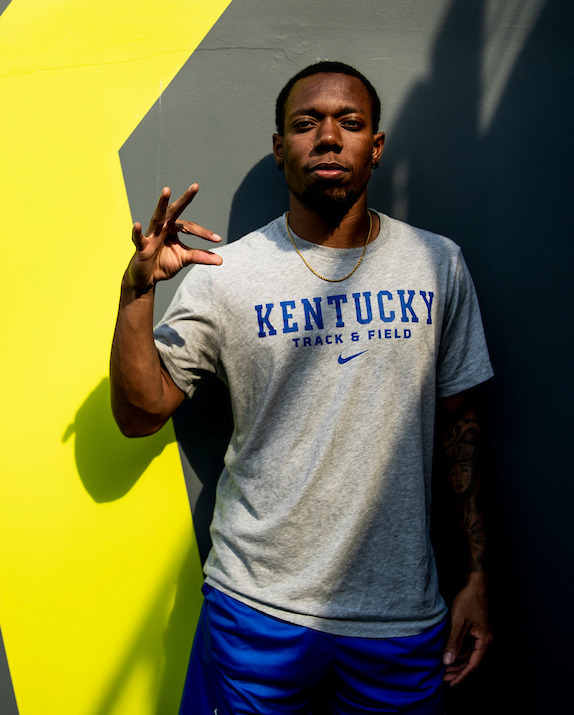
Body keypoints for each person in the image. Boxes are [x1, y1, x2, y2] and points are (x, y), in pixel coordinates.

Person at [110, 61, 493, 714]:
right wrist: (137, 293)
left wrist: (476, 575)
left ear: (375, 147)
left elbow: (460, 426)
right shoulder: (227, 273)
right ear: (279, 147)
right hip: (257, 611)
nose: (327, 137)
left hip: (398, 617)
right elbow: (142, 413)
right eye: (305, 123)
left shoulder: (438, 264)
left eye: (350, 123)